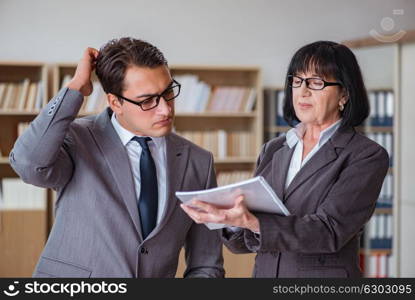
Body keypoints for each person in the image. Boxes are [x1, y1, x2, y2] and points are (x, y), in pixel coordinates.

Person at [9, 37, 224, 278]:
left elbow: (207, 264)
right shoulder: (77, 139)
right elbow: (29, 165)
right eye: (148, 100)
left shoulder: (198, 161)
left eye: (168, 92)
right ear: (115, 102)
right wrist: (77, 88)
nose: (165, 109)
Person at [181, 41, 389, 278]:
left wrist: (254, 222)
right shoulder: (275, 148)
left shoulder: (365, 155)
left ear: (345, 93)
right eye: (297, 80)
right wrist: (229, 219)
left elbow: (329, 231)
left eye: (317, 82)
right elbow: (245, 244)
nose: (303, 91)